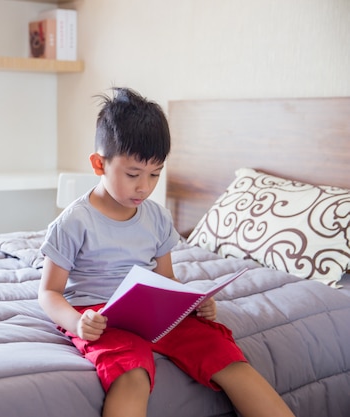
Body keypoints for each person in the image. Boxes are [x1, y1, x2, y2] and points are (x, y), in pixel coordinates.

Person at [38, 88, 295, 417]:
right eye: (133, 174)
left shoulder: (156, 217)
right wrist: (77, 322)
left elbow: (167, 280)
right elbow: (48, 292)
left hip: (150, 312)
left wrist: (193, 301)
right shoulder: (74, 221)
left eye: (155, 174)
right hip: (98, 317)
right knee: (132, 373)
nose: (144, 187)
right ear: (99, 164)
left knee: (224, 355)